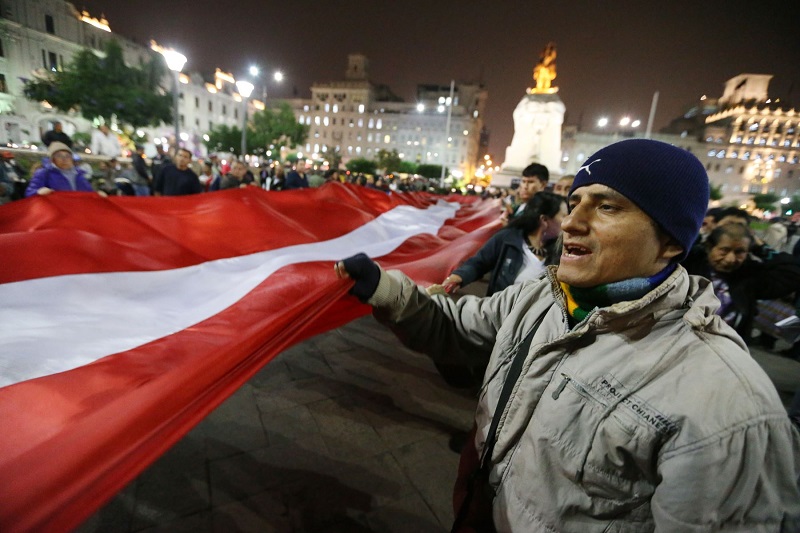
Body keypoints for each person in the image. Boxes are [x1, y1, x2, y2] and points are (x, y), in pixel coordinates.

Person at [334, 139, 800, 531]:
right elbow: (453, 328)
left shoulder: (729, 405)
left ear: (673, 241)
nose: (573, 222)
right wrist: (385, 290)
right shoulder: (540, 299)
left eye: (608, 207)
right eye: (576, 202)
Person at [684, 223, 800, 344]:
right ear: (709, 247)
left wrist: (761, 248)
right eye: (724, 250)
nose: (730, 259)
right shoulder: (689, 266)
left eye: (740, 252)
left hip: (721, 350)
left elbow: (793, 273)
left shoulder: (749, 278)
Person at [438, 191, 566, 296]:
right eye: (564, 216)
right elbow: (479, 263)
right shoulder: (507, 239)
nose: (568, 221)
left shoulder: (563, 251)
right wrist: (458, 277)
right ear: (544, 220)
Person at [25, 142, 102, 197]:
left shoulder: (79, 174)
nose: (64, 159)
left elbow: (88, 193)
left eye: (67, 156)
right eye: (59, 156)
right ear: (53, 159)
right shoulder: (44, 173)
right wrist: (37, 192)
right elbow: (29, 193)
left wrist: (97, 195)